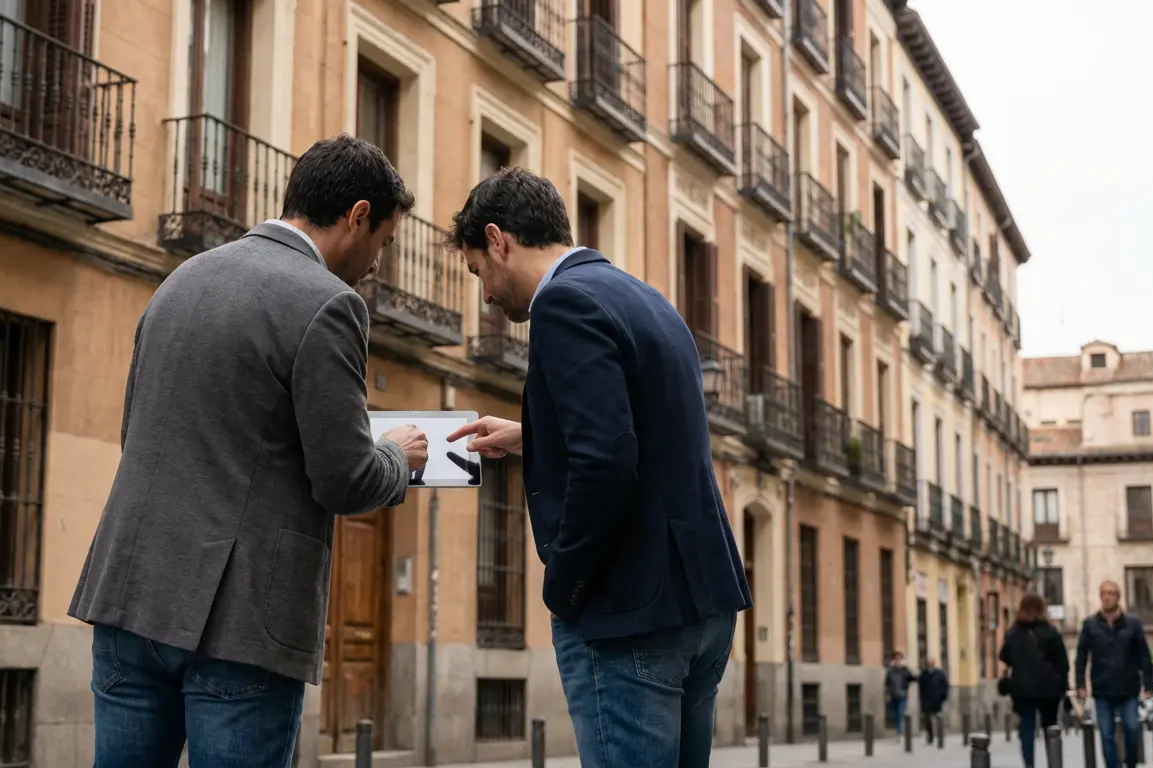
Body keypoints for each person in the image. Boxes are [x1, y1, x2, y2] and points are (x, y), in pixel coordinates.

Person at [69, 135, 430, 768]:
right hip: (239, 620)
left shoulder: (180, 280)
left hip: (130, 593)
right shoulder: (329, 304)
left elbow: (140, 434)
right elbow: (344, 479)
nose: (378, 261)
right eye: (384, 241)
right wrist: (399, 455)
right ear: (358, 216)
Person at [443, 168, 752, 767]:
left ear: (498, 239)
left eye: (479, 270)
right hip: (704, 603)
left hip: (629, 611)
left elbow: (607, 462)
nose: (484, 293)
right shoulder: (648, 299)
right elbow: (644, 432)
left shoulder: (561, 303)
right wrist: (533, 437)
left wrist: (566, 586)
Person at [1075, 580, 1153, 768]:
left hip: (1128, 687)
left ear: (1118, 597)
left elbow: (1144, 655)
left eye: (1111, 593)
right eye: (1103, 593)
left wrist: (1149, 684)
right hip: (1102, 689)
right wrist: (1080, 684)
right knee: (1106, 735)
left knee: (1132, 728)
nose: (1107, 597)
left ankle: (1131, 763)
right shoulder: (1090, 625)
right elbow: (1081, 656)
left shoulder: (1133, 624)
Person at [999, 592, 1070, 768]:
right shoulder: (1050, 632)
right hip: (1048, 688)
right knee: (1050, 728)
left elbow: (1005, 659)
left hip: (1022, 689)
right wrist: (1064, 686)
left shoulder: (1013, 633)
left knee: (1027, 728)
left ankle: (1029, 763)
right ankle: (1054, 761)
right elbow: (1062, 662)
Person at [884, 651, 917, 738]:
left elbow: (911, 678)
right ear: (893, 660)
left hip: (902, 695)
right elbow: (887, 683)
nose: (897, 661)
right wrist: (887, 694)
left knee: (900, 713)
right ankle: (898, 730)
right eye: (896, 659)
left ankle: (899, 732)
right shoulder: (890, 671)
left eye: (899, 659)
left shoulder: (904, 670)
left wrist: (916, 675)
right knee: (895, 714)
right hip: (893, 695)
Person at [918, 657, 949, 744]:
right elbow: (921, 687)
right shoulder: (923, 675)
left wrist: (944, 697)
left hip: (938, 701)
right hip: (926, 701)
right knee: (927, 719)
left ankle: (940, 735)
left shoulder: (940, 674)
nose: (930, 665)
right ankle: (930, 736)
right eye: (928, 664)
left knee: (939, 718)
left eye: (931, 664)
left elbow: (945, 686)